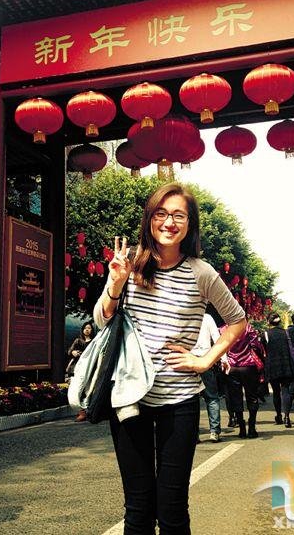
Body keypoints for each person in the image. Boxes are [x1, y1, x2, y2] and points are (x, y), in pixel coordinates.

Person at [93, 182, 246, 534]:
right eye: (161, 214)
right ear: (149, 219)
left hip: (179, 400)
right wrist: (116, 284)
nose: (169, 222)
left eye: (179, 215)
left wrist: (204, 360)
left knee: (173, 507)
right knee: (138, 507)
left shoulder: (202, 272)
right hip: (130, 399)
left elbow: (237, 321)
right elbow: (102, 319)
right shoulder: (129, 264)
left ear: (190, 224)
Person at [223, 321, 265, 438]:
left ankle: (242, 428)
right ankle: (251, 427)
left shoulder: (223, 329)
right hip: (248, 366)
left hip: (232, 367)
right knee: (252, 397)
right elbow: (256, 345)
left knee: (236, 397)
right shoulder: (247, 327)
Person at [191, 311, 227, 442]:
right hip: (205, 361)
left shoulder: (185, 315)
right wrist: (224, 359)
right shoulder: (207, 317)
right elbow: (217, 339)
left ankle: (194, 434)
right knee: (212, 398)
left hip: (189, 362)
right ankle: (214, 432)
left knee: (191, 399)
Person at [263, 313, 294, 428]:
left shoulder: (266, 334)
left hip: (272, 365)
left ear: (268, 322)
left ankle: (278, 415)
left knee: (276, 392)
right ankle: (287, 417)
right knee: (285, 390)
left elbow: (263, 350)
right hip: (286, 365)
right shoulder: (286, 332)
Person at [66, 321, 94, 422]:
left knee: (89, 390)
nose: (87, 330)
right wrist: (73, 352)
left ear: (92, 330)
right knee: (78, 390)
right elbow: (69, 351)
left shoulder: (94, 342)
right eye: (85, 328)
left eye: (89, 328)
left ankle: (90, 411)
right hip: (77, 369)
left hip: (90, 368)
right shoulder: (78, 341)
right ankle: (82, 412)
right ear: (82, 330)